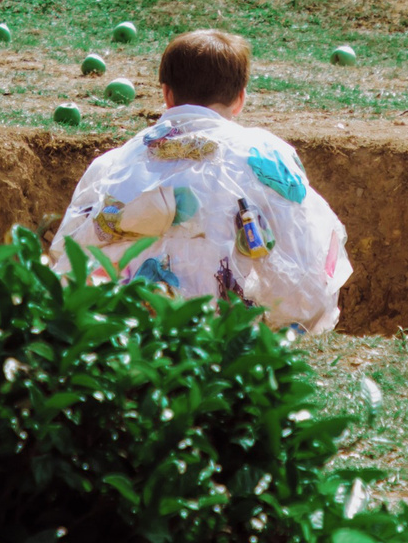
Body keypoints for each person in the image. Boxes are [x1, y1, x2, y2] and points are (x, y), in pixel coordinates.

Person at [49, 29, 353, 335]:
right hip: (223, 335)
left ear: (167, 94)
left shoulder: (111, 164)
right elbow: (307, 277)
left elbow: (66, 258)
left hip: (120, 331)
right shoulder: (266, 155)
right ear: (240, 99)